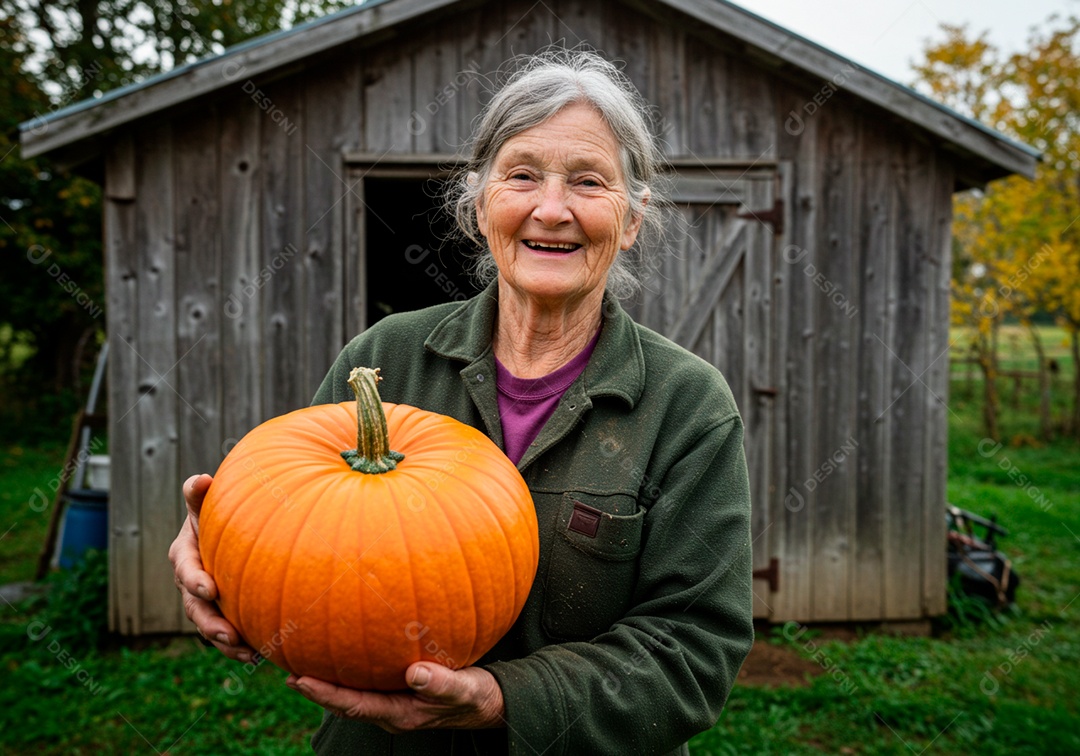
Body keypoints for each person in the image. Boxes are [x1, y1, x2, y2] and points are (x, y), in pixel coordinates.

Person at [170, 49, 754, 755]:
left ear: (632, 219)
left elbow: (692, 650)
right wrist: (221, 557)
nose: (551, 208)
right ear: (479, 205)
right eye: (522, 175)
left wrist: (503, 700)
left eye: (589, 182)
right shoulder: (383, 361)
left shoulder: (686, 405)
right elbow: (294, 531)